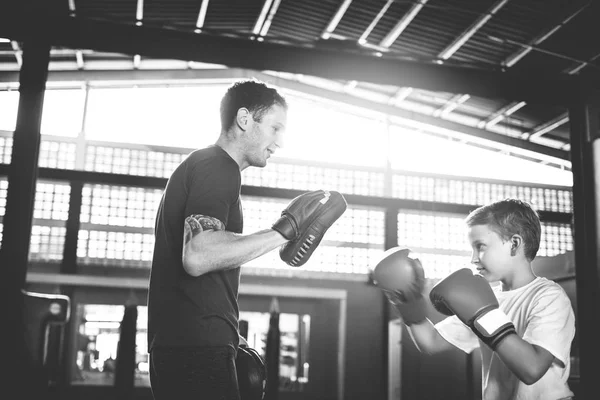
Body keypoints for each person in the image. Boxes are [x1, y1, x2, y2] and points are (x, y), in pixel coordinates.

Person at [147, 79, 346, 400]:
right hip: (196, 347)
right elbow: (198, 255)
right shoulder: (217, 165)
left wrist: (230, 336)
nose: (279, 142)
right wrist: (284, 230)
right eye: (275, 128)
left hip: (187, 345)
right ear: (244, 120)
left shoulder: (203, 166)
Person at [372, 198, 576, 400]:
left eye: (481, 246)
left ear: (514, 244)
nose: (473, 258)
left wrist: (483, 314)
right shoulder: (485, 297)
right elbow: (430, 342)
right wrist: (407, 299)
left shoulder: (548, 297)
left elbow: (532, 369)